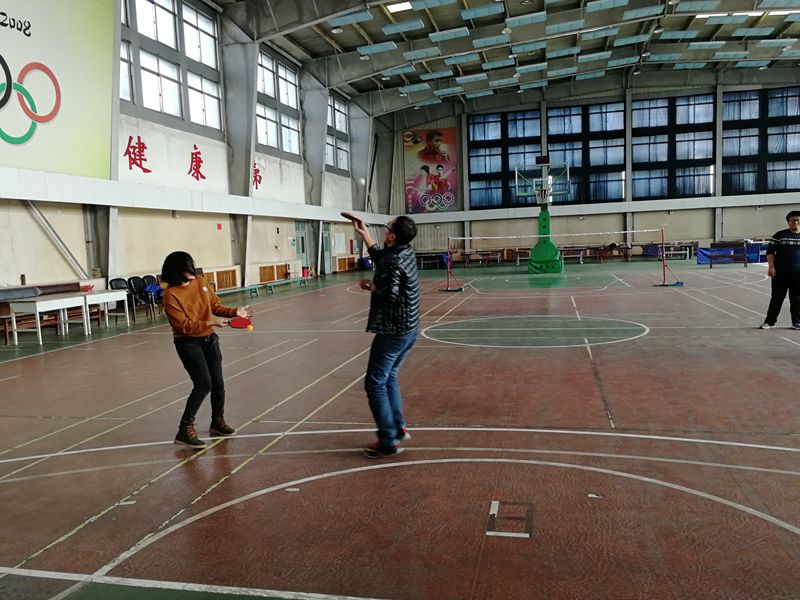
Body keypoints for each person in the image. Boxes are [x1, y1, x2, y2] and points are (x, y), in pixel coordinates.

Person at [161, 251, 254, 448]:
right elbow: (184, 326)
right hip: (188, 343)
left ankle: (217, 422)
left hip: (209, 339)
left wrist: (235, 312)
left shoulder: (200, 281)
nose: (192, 273)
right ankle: (184, 430)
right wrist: (212, 322)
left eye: (191, 268)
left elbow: (215, 306)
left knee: (218, 383)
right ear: (176, 272)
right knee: (203, 384)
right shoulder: (170, 295)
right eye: (187, 270)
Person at [351, 216, 421, 458]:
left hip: (394, 332)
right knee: (388, 377)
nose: (385, 229)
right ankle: (398, 427)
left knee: (374, 384)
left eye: (387, 227)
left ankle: (388, 440)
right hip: (410, 329)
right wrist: (364, 233)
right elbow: (382, 257)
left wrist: (372, 288)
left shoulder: (393, 260)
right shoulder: (405, 251)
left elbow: (391, 294)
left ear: (392, 236)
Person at [760, 210, 800, 330]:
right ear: (788, 222)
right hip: (780, 273)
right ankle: (770, 322)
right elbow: (770, 252)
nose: (795, 222)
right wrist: (771, 267)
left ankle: (797, 322)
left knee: (797, 298)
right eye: (792, 220)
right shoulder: (780, 235)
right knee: (777, 298)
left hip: (798, 274)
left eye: (797, 220)